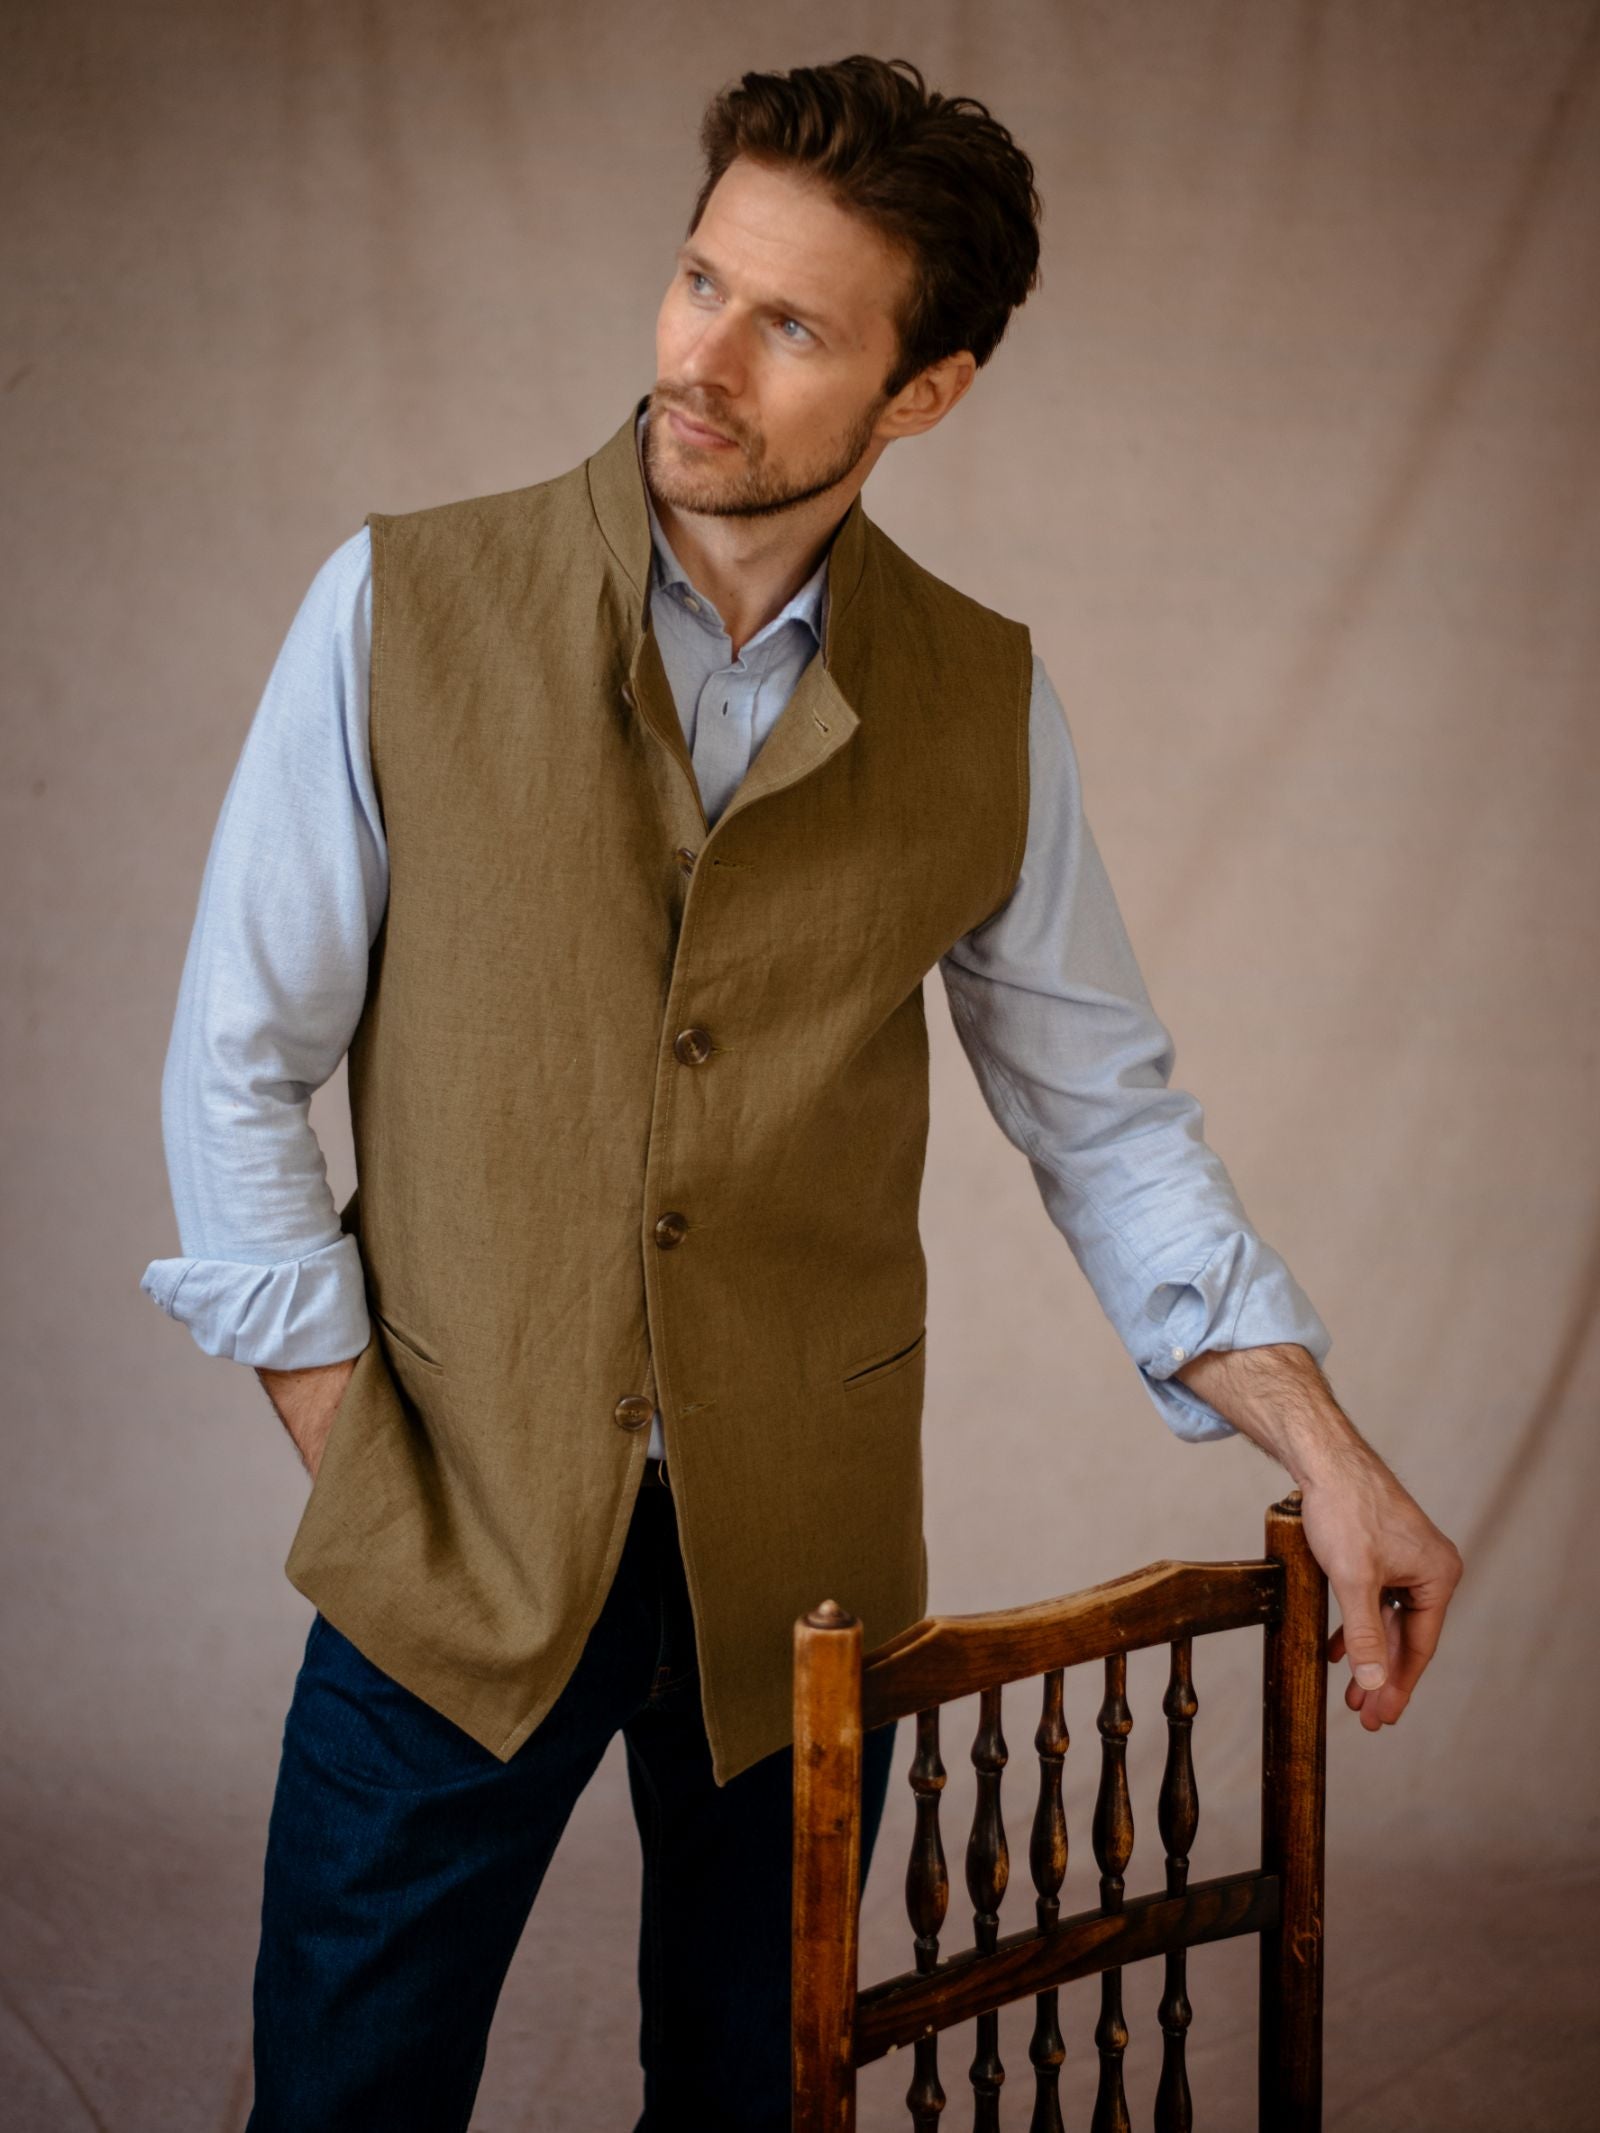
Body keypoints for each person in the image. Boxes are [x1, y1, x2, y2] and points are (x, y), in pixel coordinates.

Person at [140, 51, 1463, 2133]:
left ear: (918, 390)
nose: (698, 357)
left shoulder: (980, 697)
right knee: (344, 2093)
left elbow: (1101, 1116)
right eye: (694, 280)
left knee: (765, 2095)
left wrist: (1331, 1447)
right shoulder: (399, 602)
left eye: (787, 324)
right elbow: (235, 1070)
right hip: (446, 1524)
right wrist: (354, 1457)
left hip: (806, 1571)